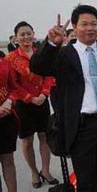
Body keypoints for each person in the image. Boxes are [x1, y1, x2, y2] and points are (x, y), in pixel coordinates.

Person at [30, 5, 97, 192]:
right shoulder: (63, 54)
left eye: (94, 24)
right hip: (81, 127)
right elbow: (38, 67)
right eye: (84, 24)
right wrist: (52, 44)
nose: (90, 28)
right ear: (75, 27)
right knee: (86, 182)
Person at [5, 21, 57, 188]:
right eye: (22, 34)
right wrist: (29, 97)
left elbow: (49, 75)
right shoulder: (11, 58)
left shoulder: (40, 52)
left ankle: (46, 170)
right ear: (16, 38)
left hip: (42, 100)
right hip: (23, 104)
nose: (26, 37)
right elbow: (11, 84)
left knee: (45, 137)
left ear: (34, 34)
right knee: (27, 141)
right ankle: (34, 172)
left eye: (29, 33)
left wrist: (44, 94)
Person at [0, 57, 21, 192]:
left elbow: (14, 88)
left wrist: (9, 101)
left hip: (6, 119)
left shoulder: (4, 62)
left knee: (8, 160)